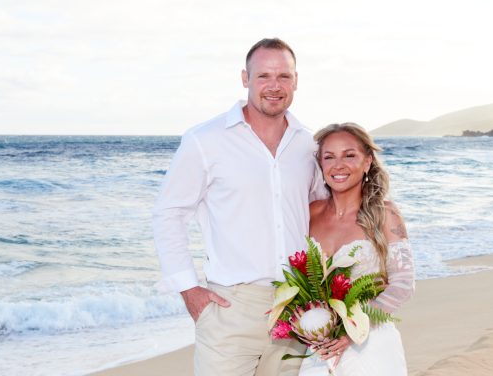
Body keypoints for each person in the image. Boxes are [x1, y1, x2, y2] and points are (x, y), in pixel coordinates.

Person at [153, 38, 326, 376]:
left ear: (296, 81)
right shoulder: (205, 139)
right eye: (263, 76)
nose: (274, 86)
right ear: (245, 79)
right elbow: (168, 214)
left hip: (294, 307)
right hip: (230, 310)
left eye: (284, 76)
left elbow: (320, 213)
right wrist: (188, 289)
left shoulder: (307, 143)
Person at [298, 123, 415, 375]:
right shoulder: (309, 213)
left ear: (367, 161)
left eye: (349, 155)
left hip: (370, 341)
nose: (338, 165)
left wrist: (354, 329)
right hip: (320, 346)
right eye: (329, 157)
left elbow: (403, 284)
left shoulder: (385, 214)